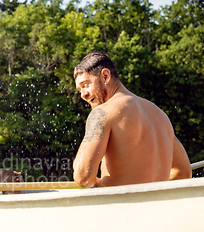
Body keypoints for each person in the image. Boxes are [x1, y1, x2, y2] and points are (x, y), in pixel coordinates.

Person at [73, 51, 191, 188]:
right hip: (157, 207)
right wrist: (151, 190)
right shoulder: (159, 114)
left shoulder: (103, 113)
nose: (83, 95)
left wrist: (103, 185)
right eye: (79, 90)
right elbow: (183, 172)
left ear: (105, 76)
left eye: (86, 85)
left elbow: (83, 176)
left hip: (122, 206)